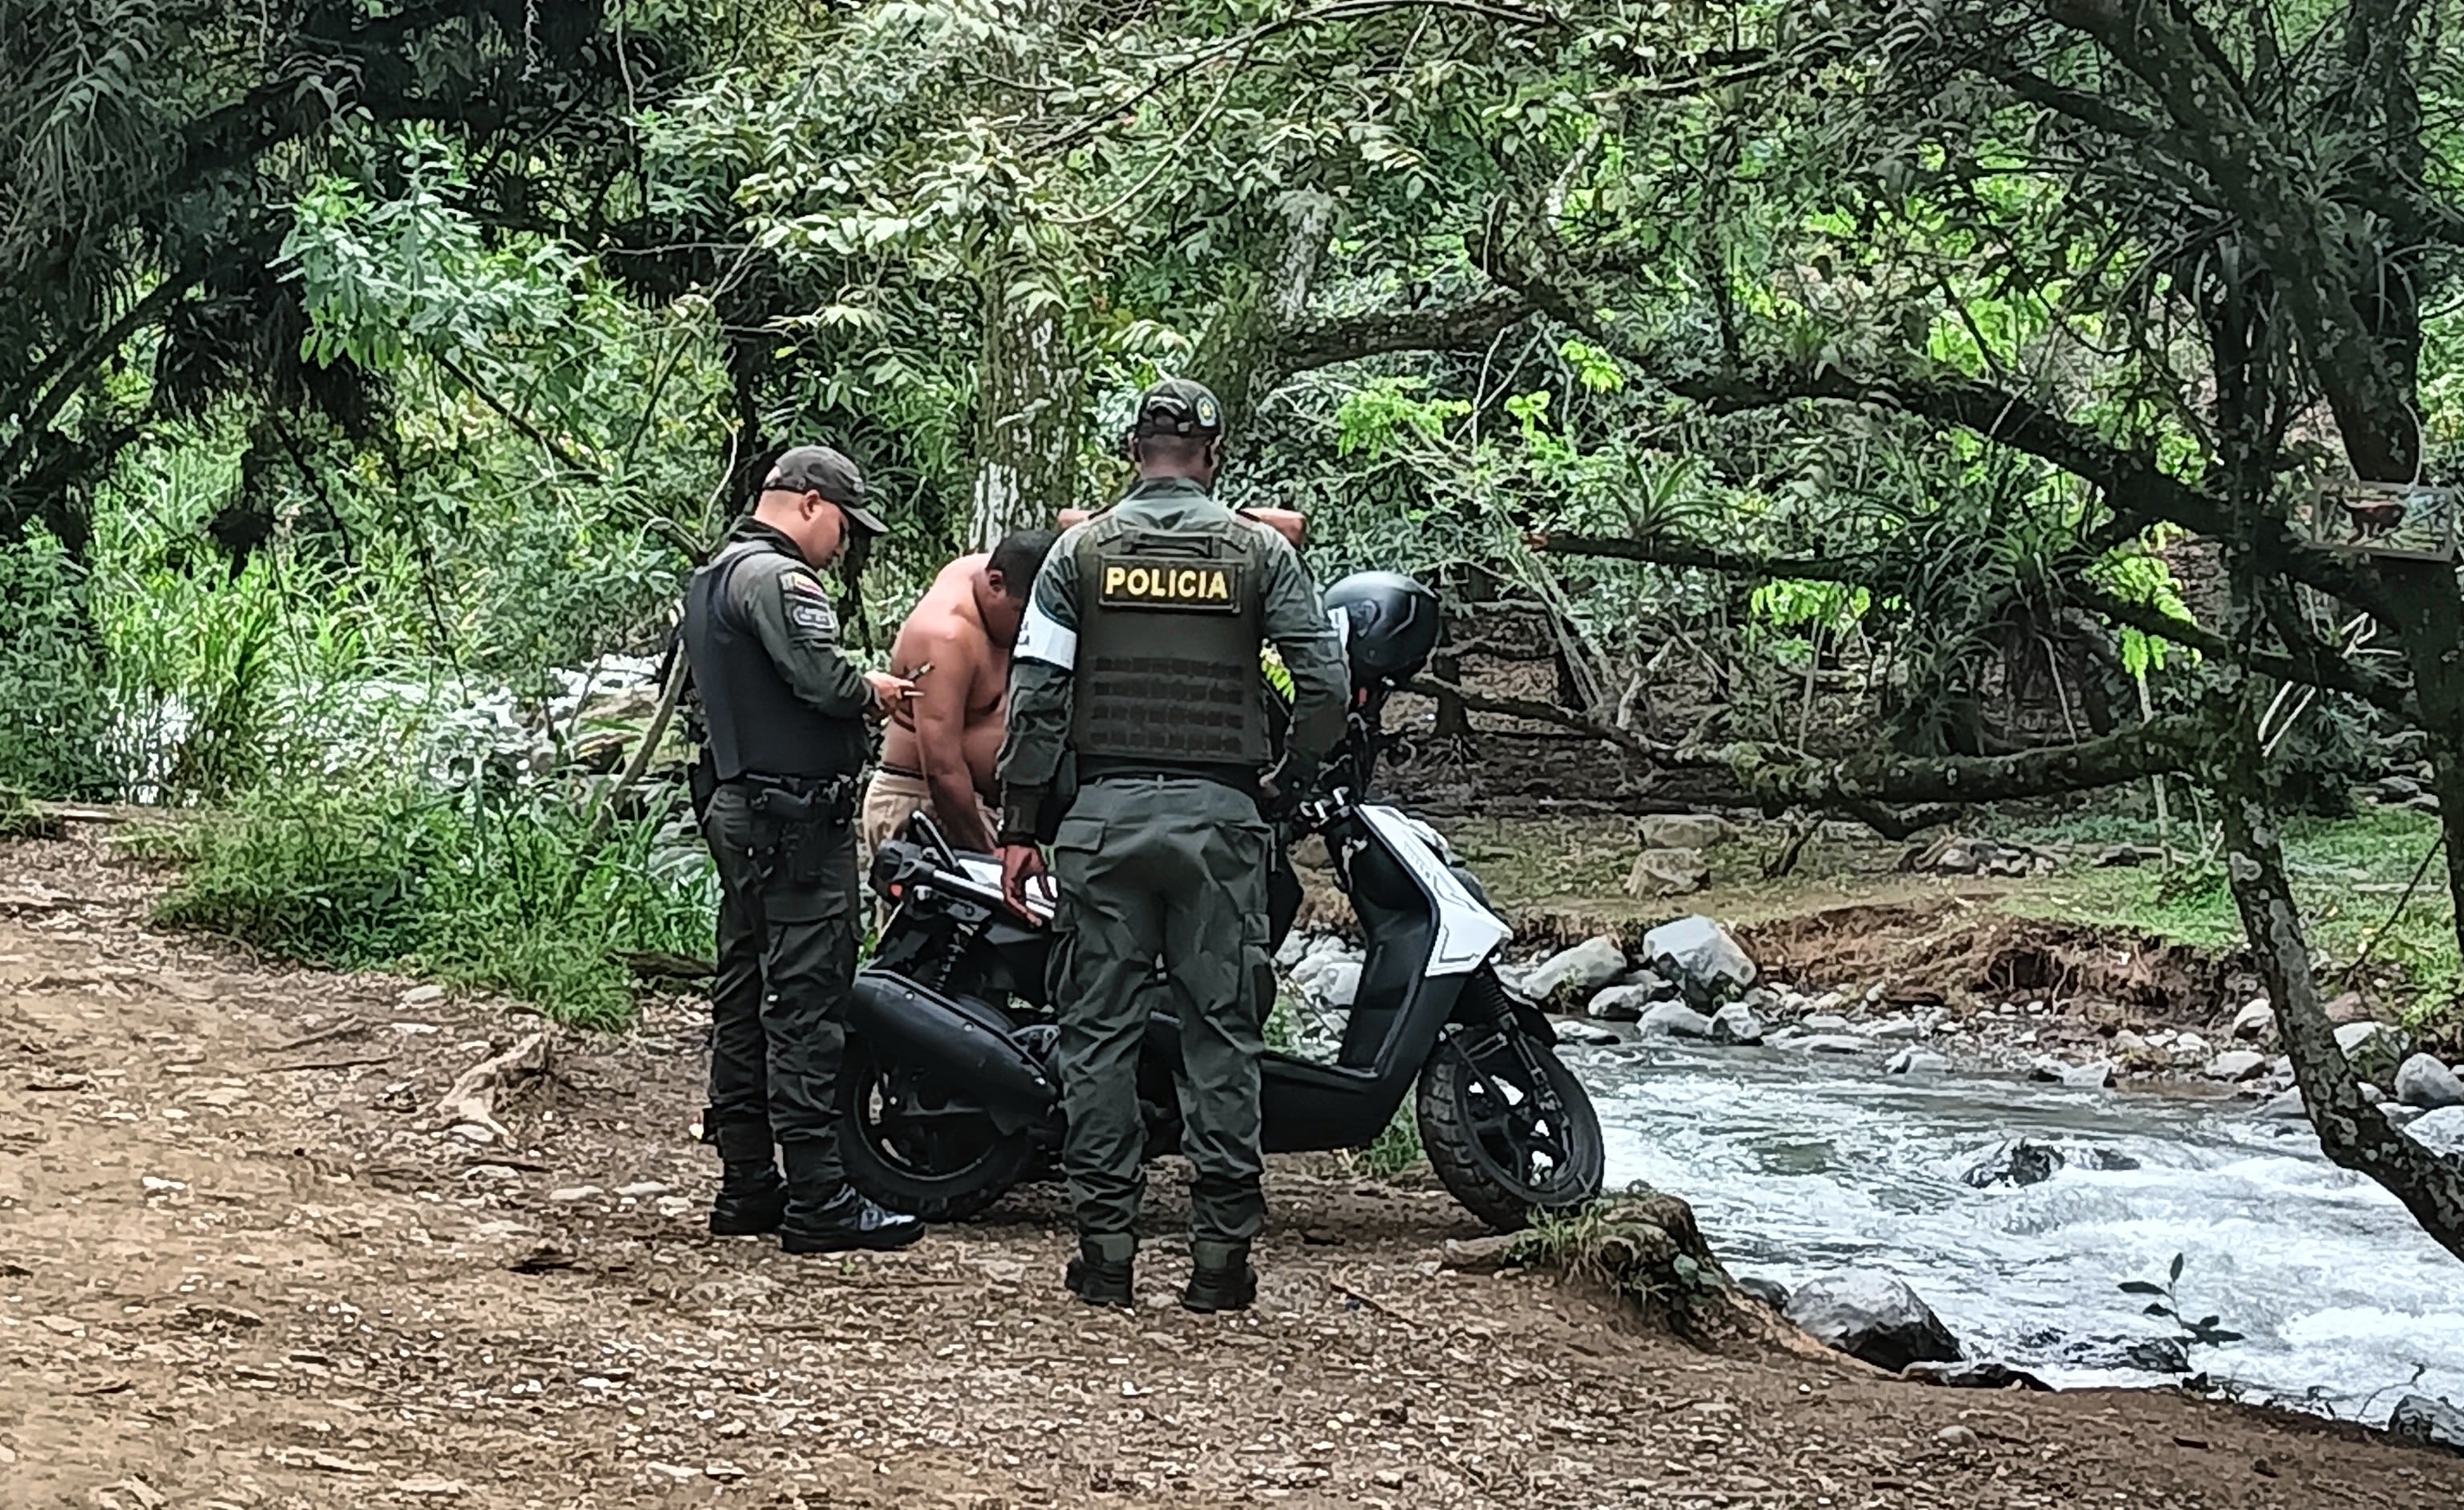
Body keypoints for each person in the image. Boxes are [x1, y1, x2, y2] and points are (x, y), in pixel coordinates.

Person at [993, 379, 1348, 1313]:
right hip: (1220, 824)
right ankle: (1220, 1262)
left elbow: (1036, 698)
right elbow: (1324, 681)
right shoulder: (1260, 551)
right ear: (1213, 454)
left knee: (1097, 1037)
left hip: (1102, 822)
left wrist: (1020, 826)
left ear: (1132, 453)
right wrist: (1288, 778)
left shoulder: (1078, 553)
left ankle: (1106, 1255)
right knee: (1220, 1035)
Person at [681, 444, 925, 1255]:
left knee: (744, 992)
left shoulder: (713, 575)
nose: (844, 546)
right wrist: (872, 691)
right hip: (794, 824)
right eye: (845, 528)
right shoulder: (780, 579)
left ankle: (748, 1181)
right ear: (811, 504)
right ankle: (820, 1195)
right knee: (807, 1000)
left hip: (741, 811)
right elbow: (820, 681)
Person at [861, 529, 1059, 861]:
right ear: (995, 584)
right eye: (1023, 613)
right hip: (923, 802)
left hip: (978, 804)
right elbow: (942, 769)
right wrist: (990, 857)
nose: (1032, 627)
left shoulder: (995, 572)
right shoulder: (945, 636)